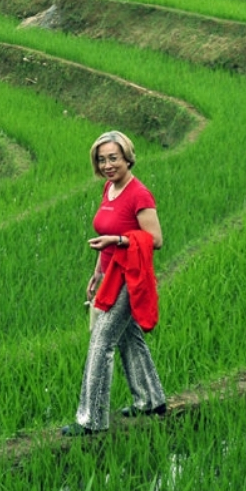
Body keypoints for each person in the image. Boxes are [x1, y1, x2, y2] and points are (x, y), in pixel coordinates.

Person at [62, 130, 167, 437]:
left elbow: (156, 239)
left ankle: (91, 420)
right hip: (109, 275)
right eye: (102, 159)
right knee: (127, 337)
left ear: (127, 158)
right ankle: (151, 399)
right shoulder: (109, 189)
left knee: (101, 342)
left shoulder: (139, 194)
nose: (108, 165)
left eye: (113, 158)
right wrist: (97, 272)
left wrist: (119, 240)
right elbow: (106, 237)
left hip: (129, 276)